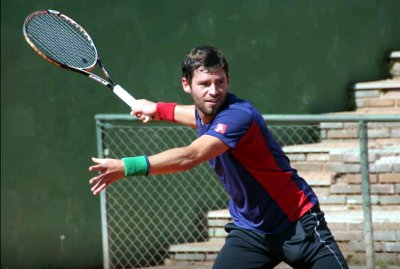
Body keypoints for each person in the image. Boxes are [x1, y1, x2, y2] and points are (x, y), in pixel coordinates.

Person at [89, 45, 348, 269]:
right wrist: (156, 109)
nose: (214, 91)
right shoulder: (206, 116)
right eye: (204, 84)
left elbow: (189, 156)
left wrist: (127, 166)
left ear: (228, 80)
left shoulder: (239, 115)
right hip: (251, 231)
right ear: (186, 85)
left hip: (297, 223)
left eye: (220, 82)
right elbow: (190, 114)